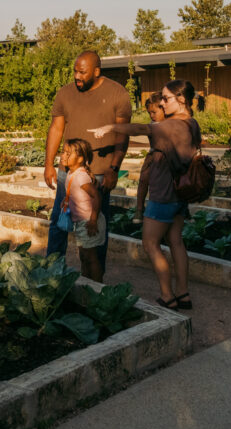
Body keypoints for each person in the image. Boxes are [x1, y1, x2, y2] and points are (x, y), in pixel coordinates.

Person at [90, 79, 202, 311]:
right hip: (181, 193)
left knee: (150, 243)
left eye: (166, 99)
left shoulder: (171, 126)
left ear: (181, 99)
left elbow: (142, 129)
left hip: (163, 194)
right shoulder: (192, 123)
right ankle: (183, 294)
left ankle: (167, 295)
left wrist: (110, 127)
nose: (162, 104)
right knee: (176, 241)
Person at [45, 51, 131, 278]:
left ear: (96, 71)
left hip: (100, 174)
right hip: (67, 174)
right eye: (75, 71)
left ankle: (95, 281)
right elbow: (56, 128)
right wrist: (48, 164)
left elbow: (123, 134)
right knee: (58, 223)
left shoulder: (117, 93)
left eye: (82, 72)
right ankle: (51, 273)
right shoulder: (65, 93)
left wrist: (114, 168)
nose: (77, 76)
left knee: (96, 227)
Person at [59, 138, 106, 281]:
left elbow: (97, 197)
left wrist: (93, 220)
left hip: (89, 222)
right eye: (63, 152)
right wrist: (66, 200)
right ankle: (86, 283)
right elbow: (75, 192)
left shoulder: (81, 176)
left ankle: (97, 287)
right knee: (84, 256)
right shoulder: (70, 173)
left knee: (90, 257)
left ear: (80, 159)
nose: (63, 155)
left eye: (68, 153)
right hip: (81, 222)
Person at [131, 92, 167, 225]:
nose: (151, 115)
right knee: (144, 178)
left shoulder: (172, 123)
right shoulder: (153, 124)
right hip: (153, 155)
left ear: (164, 109)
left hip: (168, 157)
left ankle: (183, 208)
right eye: (149, 113)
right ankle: (139, 208)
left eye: (154, 112)